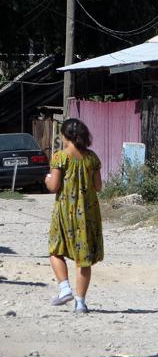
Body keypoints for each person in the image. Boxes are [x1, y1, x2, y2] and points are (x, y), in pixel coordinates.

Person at [45, 118, 103, 314]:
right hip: (88, 214)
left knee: (55, 250)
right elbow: (98, 187)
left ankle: (64, 289)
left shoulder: (60, 157)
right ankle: (80, 302)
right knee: (83, 259)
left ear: (65, 136)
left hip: (65, 212)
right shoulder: (92, 158)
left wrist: (47, 180)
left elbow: (53, 187)